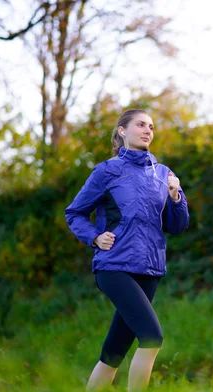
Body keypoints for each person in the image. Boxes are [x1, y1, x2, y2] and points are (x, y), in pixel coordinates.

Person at [65, 109, 190, 391]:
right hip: (114, 266)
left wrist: (175, 197)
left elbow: (177, 226)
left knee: (114, 353)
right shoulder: (106, 170)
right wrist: (95, 237)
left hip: (150, 269)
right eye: (140, 125)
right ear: (122, 131)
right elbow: (75, 213)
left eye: (151, 127)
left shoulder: (163, 174)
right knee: (151, 337)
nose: (148, 130)